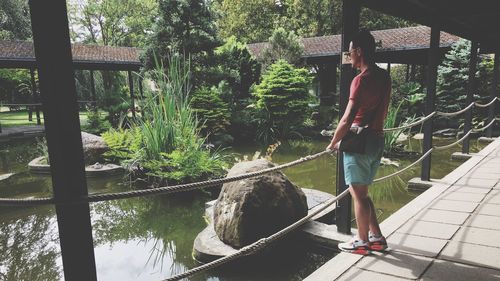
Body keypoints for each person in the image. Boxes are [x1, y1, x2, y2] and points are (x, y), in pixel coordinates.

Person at [326, 29, 391, 255]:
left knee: (358, 194)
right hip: (377, 140)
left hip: (359, 143)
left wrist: (333, 142)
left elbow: (348, 118)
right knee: (362, 193)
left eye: (350, 51)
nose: (349, 55)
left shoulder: (360, 80)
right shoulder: (384, 76)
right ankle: (377, 237)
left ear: (359, 51)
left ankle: (361, 242)